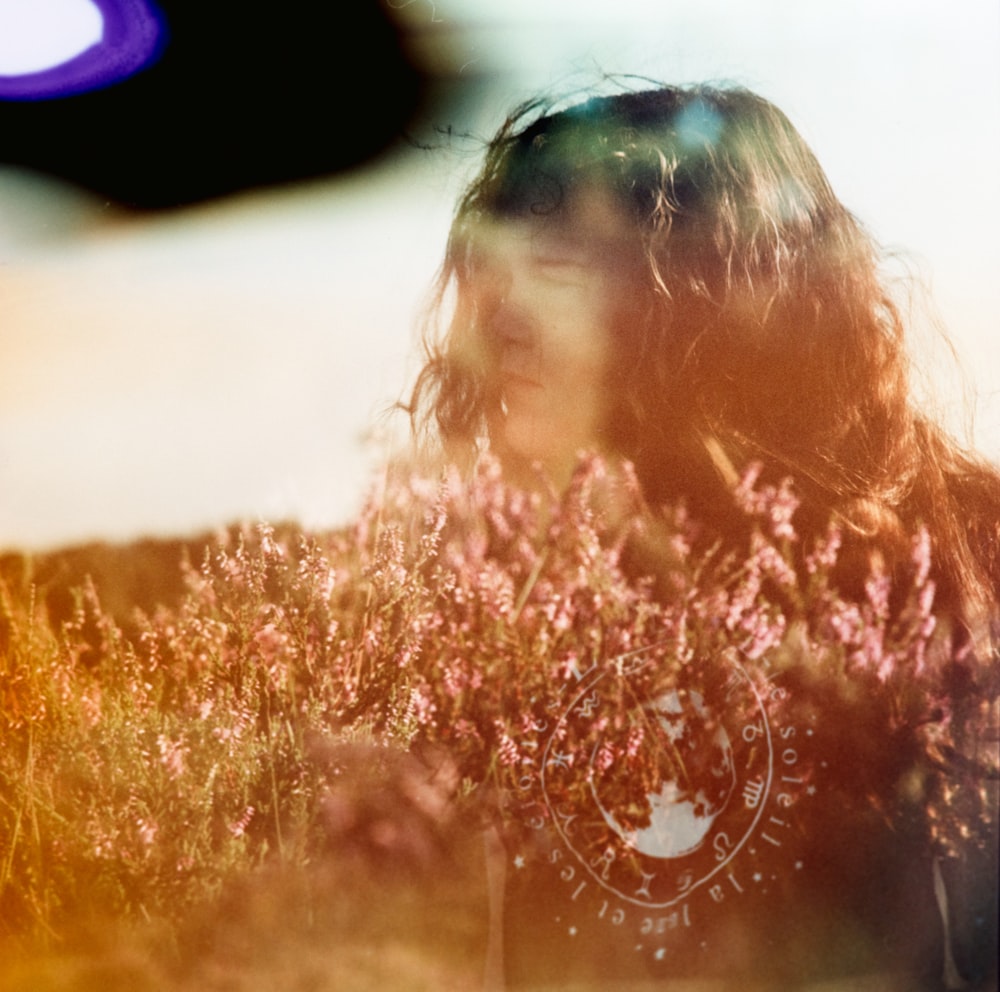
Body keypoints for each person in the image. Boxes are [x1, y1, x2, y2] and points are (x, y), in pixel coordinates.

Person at [403, 83, 999, 989]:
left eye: (561, 265)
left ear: (715, 302)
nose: (499, 321)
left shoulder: (966, 572)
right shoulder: (528, 594)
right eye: (492, 273)